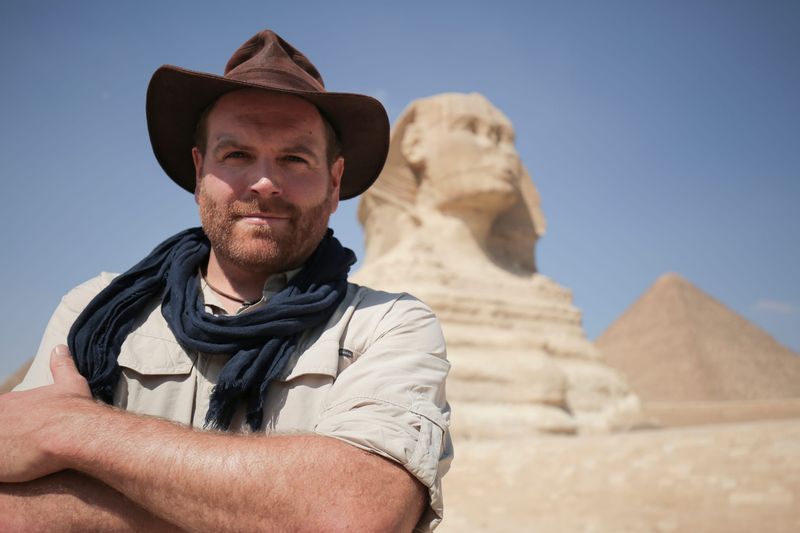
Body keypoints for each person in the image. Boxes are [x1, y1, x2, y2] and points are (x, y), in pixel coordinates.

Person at [0, 29, 452, 532]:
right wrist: (272, 508)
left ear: (334, 182)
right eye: (236, 155)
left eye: (294, 159)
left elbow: (354, 514)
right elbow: (14, 509)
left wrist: (73, 428)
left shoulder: (387, 326)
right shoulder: (94, 310)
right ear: (199, 171)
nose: (263, 181)